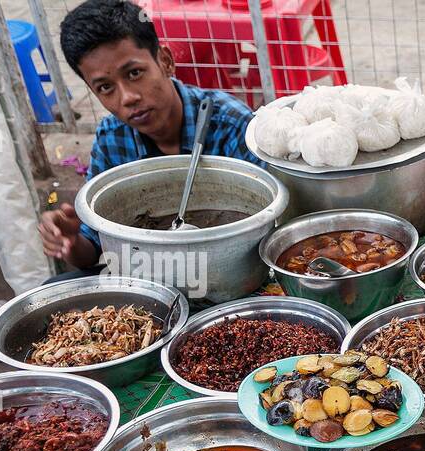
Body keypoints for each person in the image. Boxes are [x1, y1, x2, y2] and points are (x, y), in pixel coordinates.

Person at [39, 0, 263, 272]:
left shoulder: (231, 125)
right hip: (150, 283)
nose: (128, 97)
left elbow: (271, 225)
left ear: (165, 62)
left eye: (134, 73)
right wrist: (71, 241)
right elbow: (93, 247)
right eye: (106, 87)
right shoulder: (112, 140)